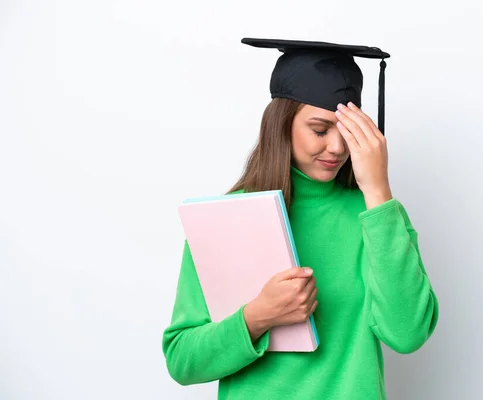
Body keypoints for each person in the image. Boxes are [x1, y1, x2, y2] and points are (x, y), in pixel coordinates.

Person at [162, 38, 439, 400]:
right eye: (321, 130)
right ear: (282, 124)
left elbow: (408, 334)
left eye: (349, 133)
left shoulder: (377, 215)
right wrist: (258, 316)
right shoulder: (228, 217)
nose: (338, 147)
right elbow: (183, 360)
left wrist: (377, 191)